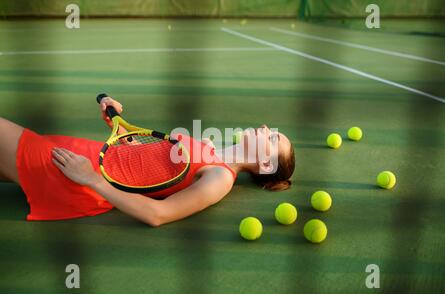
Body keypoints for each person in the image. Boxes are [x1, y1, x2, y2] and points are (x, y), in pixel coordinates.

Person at [0, 96, 295, 226]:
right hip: (82, 153)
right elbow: (143, 160)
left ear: (266, 166)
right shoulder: (208, 149)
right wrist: (114, 122)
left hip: (76, 174)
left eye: (273, 140)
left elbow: (159, 214)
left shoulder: (219, 179)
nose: (267, 129)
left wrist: (91, 178)